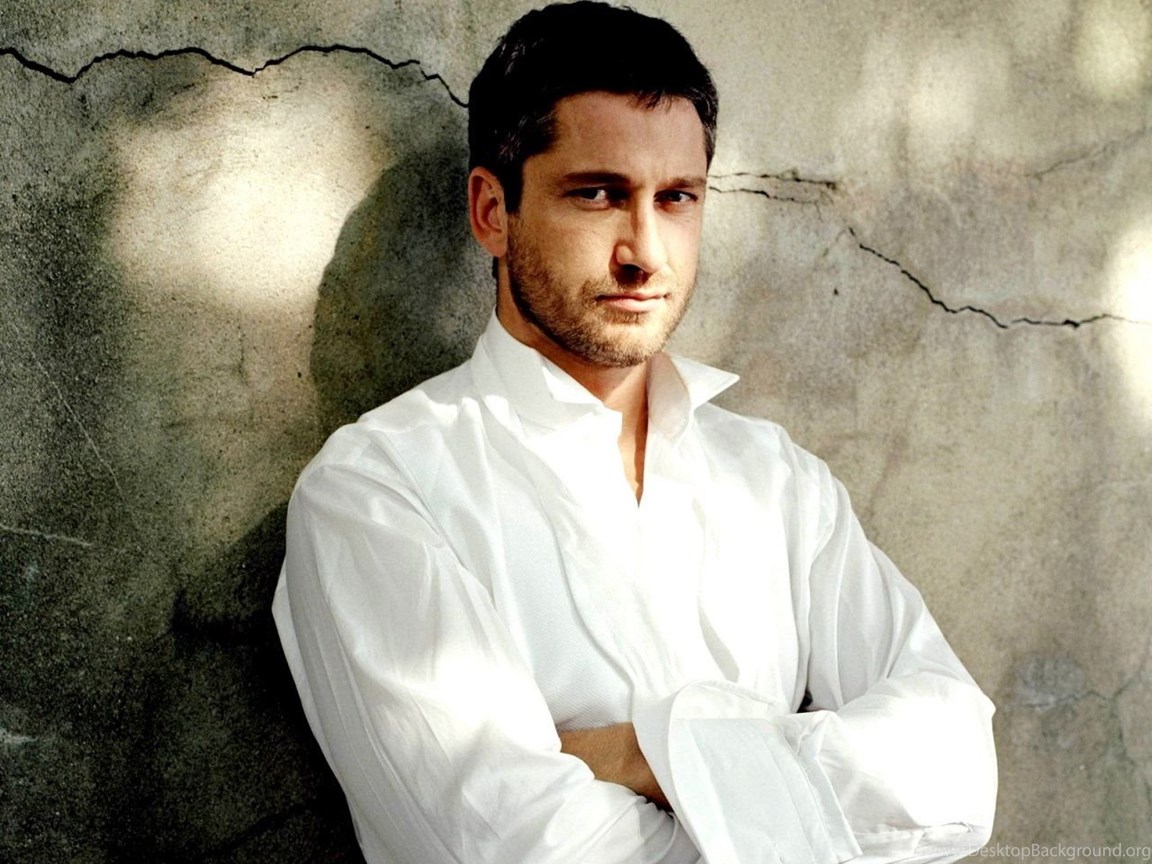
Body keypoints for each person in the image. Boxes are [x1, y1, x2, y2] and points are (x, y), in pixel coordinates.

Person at [272, 3, 998, 862]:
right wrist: (798, 791)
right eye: (598, 194)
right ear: (492, 211)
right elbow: (524, 850)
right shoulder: (381, 492)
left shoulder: (775, 481)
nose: (645, 252)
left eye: (676, 197)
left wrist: (644, 753)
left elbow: (957, 776)